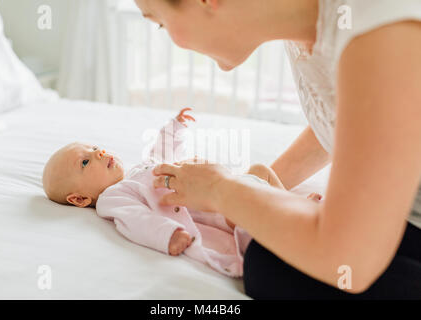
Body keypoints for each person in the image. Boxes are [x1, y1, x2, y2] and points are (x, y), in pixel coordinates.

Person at [134, 0, 421, 298]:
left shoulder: (380, 24)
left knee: (272, 266)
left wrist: (221, 190)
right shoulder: (311, 28)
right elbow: (354, 116)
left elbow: (349, 261)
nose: (171, 38)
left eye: (159, 22)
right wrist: (256, 183)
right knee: (273, 252)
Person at [42, 108, 324, 277]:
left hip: (231, 189)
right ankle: (294, 221)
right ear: (79, 199)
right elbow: (136, 221)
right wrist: (167, 234)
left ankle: (292, 204)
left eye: (93, 147)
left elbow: (161, 155)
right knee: (251, 221)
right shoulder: (113, 197)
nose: (98, 152)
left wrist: (173, 129)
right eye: (86, 161)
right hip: (217, 210)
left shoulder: (141, 168)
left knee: (260, 170)